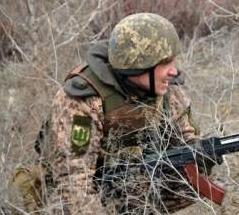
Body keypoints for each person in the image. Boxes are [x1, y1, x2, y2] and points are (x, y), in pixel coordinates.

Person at [11, 13, 217, 214]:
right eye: (164, 63)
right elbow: (74, 183)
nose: (174, 71)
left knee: (190, 184)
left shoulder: (167, 91)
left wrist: (202, 154)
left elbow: (185, 141)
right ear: (137, 64)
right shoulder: (83, 99)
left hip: (130, 181)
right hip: (72, 191)